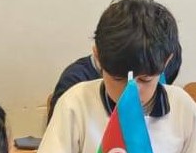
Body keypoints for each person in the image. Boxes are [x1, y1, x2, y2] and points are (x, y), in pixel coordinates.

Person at [25, 0, 196, 153]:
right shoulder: (76, 103)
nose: (131, 91)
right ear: (97, 56)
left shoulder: (182, 106)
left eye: (145, 80)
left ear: (167, 61)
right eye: (118, 79)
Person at [47, 38, 183, 121]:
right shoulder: (76, 85)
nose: (135, 90)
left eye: (146, 79)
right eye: (119, 78)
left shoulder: (179, 101)